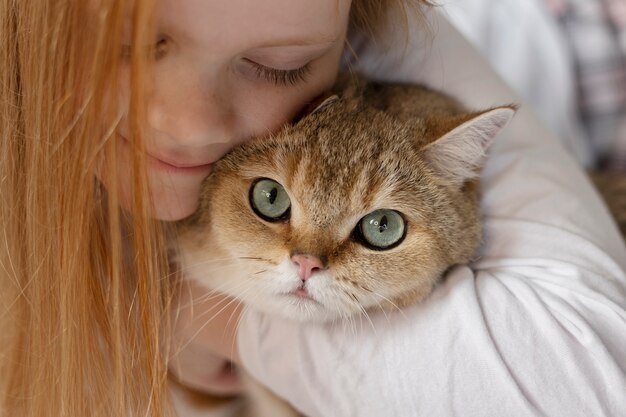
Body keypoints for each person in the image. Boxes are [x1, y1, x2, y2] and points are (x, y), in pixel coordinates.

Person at [1, 2, 624, 417]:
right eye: (129, 44)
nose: (189, 127)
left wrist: (204, 316)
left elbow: (582, 389)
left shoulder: (376, 36)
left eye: (284, 67)